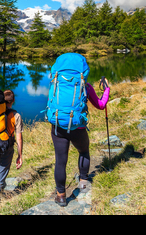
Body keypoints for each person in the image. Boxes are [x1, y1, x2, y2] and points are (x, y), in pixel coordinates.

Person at [53, 78, 110, 207]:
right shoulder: (86, 86)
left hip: (58, 127)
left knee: (60, 160)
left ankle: (61, 196)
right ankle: (83, 184)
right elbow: (101, 105)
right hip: (78, 127)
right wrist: (107, 90)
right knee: (84, 152)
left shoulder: (56, 84)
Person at [0, 89, 23, 207]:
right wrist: (20, 155)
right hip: (6, 149)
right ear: (13, 100)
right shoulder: (16, 115)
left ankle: (0, 196)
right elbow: (19, 138)